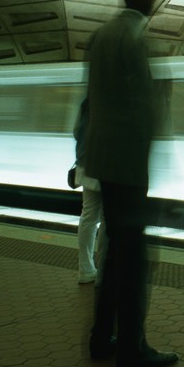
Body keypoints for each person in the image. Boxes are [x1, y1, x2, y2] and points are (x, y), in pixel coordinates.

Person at [84, 0, 178, 367]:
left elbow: (90, 102)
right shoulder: (137, 39)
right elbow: (143, 108)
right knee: (135, 257)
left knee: (115, 254)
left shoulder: (101, 36)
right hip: (128, 163)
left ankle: (102, 338)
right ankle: (132, 347)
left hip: (104, 159)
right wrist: (157, 157)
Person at [73, 98, 105, 284]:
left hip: (85, 164)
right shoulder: (114, 99)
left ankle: (85, 270)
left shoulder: (87, 101)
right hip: (107, 166)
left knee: (89, 216)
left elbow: (77, 131)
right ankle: (104, 273)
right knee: (107, 217)